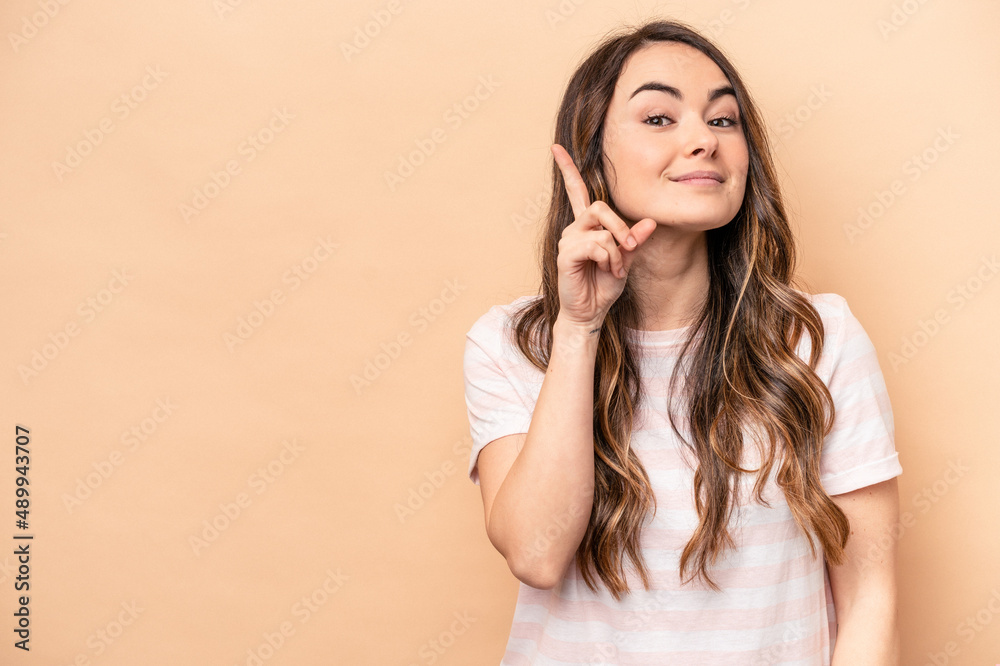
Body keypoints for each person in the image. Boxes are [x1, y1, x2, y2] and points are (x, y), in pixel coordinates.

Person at [462, 18, 903, 666]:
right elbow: (536, 553)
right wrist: (580, 330)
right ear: (589, 152)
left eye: (724, 121)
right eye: (660, 118)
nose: (704, 140)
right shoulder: (512, 344)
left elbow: (871, 596)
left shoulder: (817, 339)